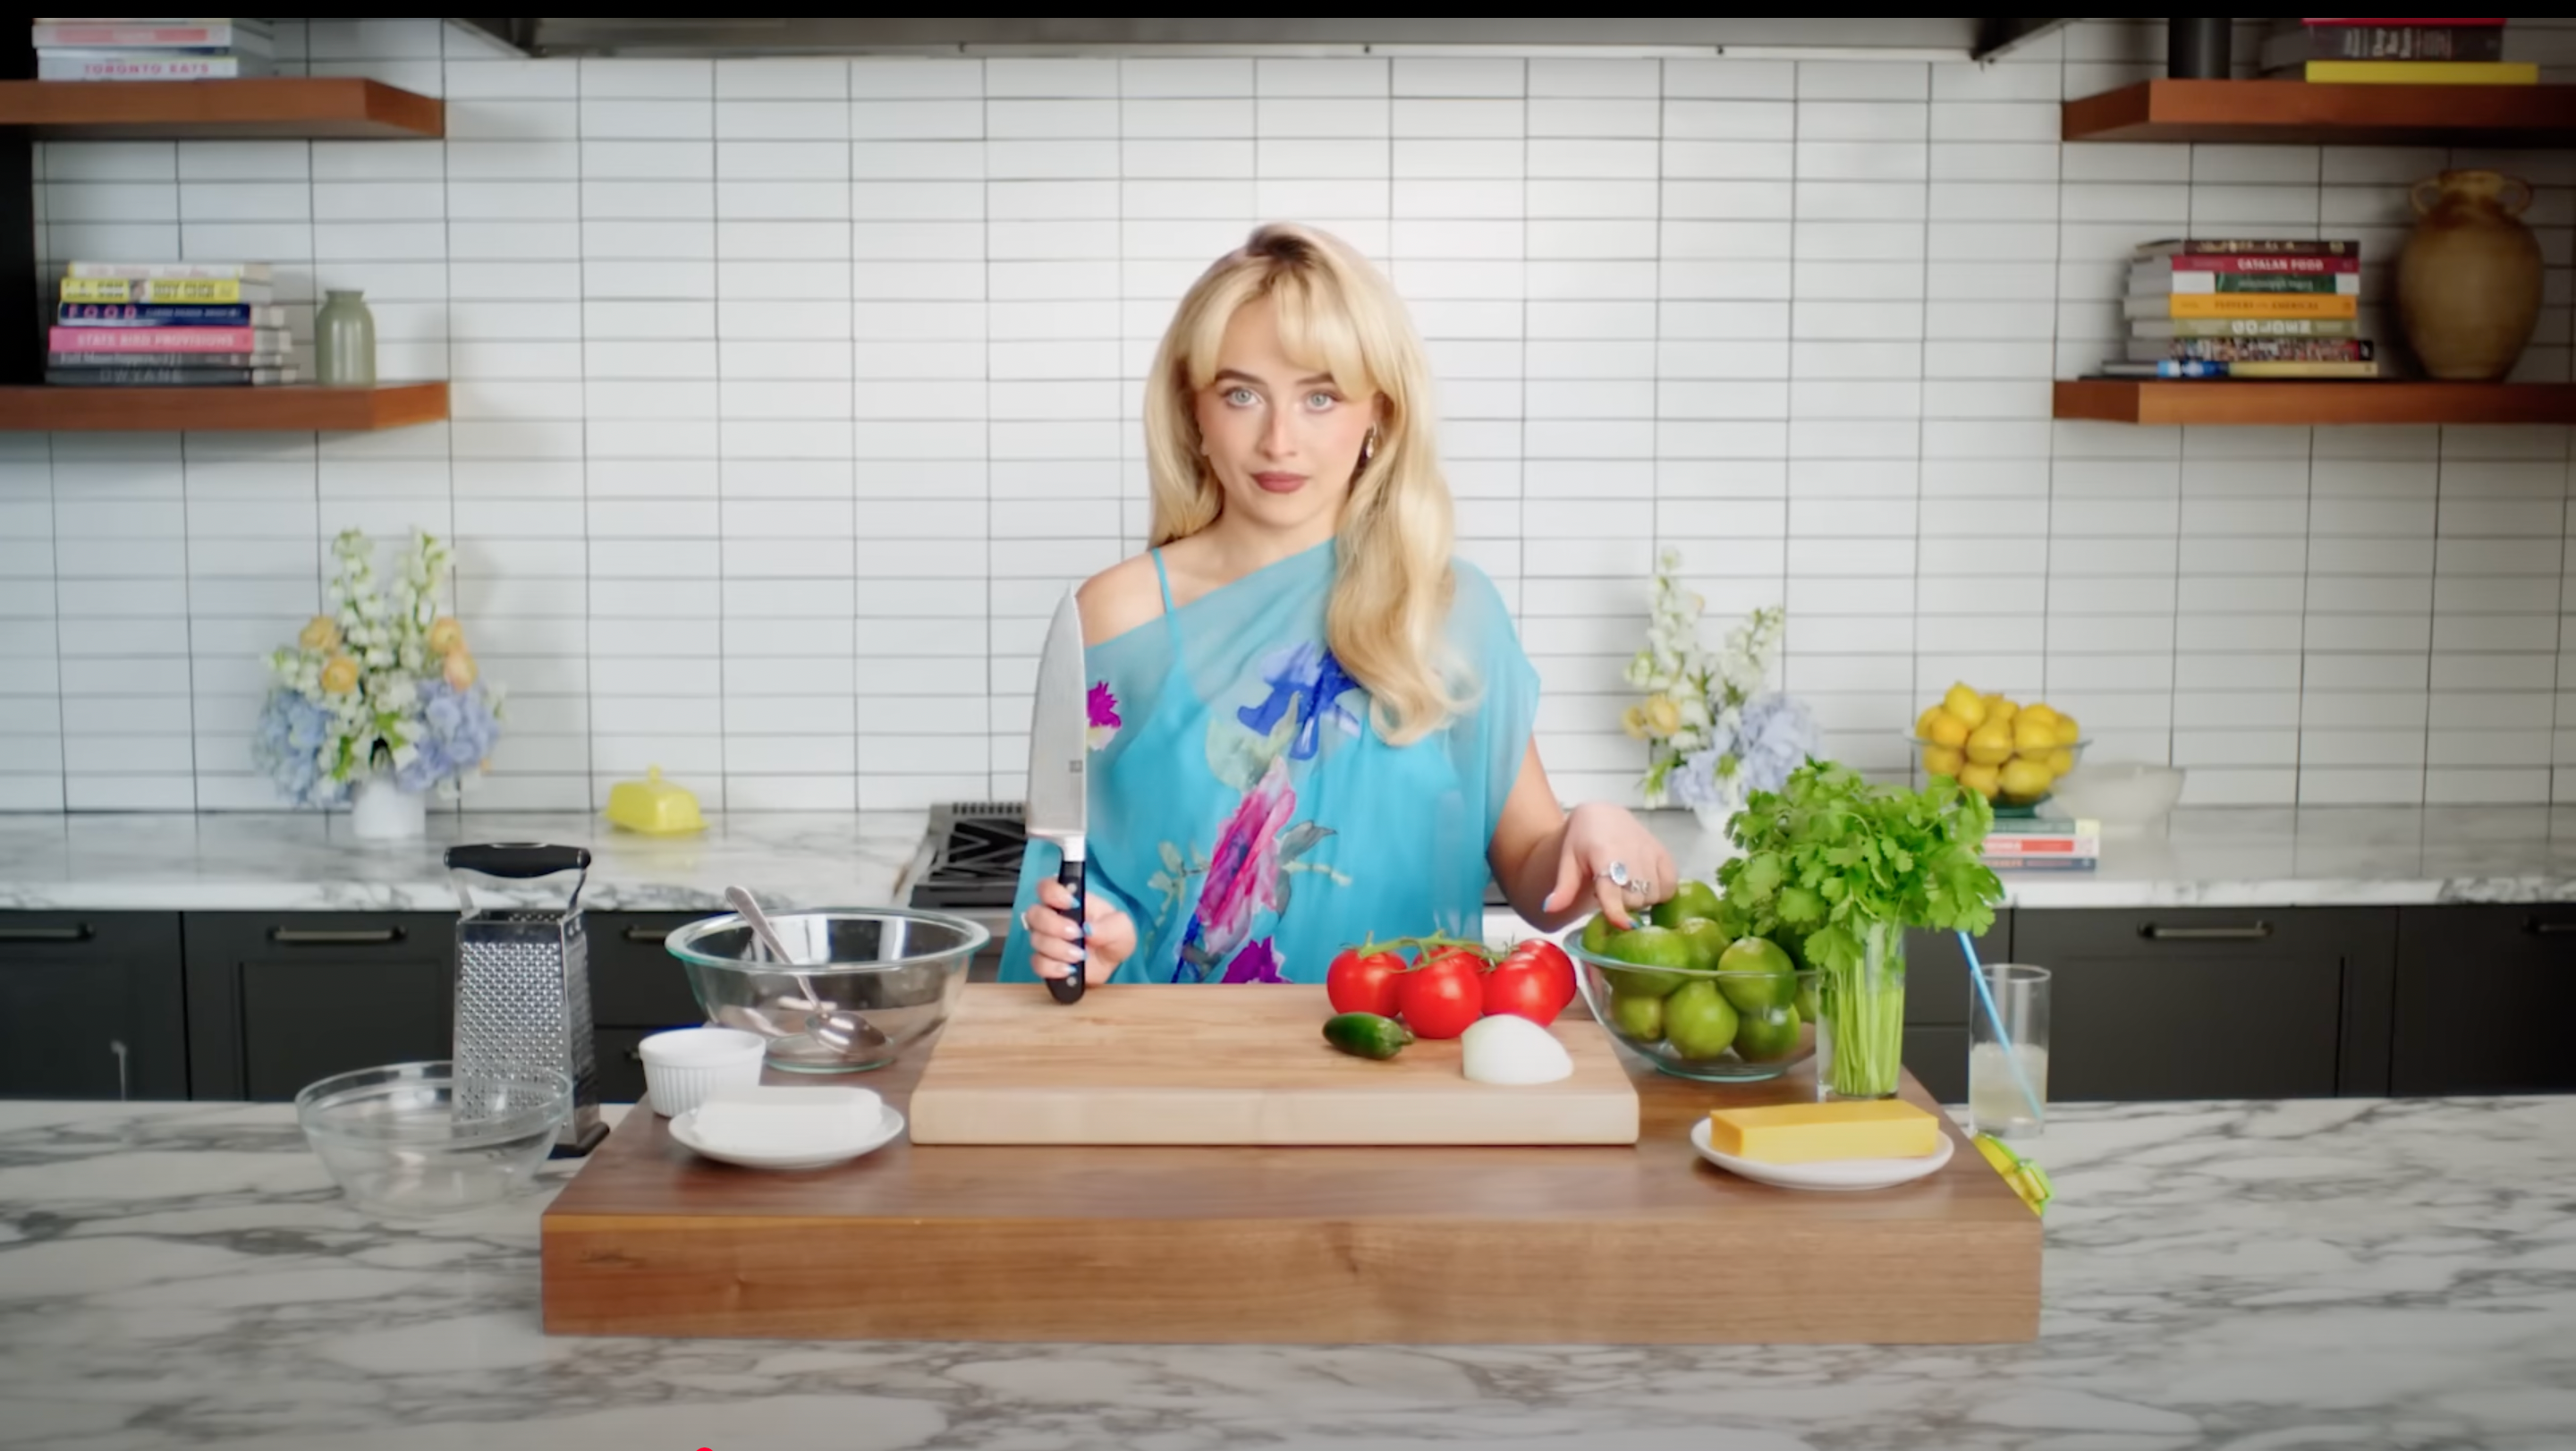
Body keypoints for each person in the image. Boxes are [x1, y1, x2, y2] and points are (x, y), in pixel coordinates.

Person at [1000, 222, 1676, 988]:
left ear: (1377, 415)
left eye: (1320, 396)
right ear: (1194, 412)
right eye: (1241, 394)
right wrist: (1094, 942)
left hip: (1402, 1068)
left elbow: (1530, 870)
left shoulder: (1450, 611)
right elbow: (1077, 885)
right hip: (1181, 1074)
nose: (1279, 440)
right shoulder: (1118, 615)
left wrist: (1588, 832)